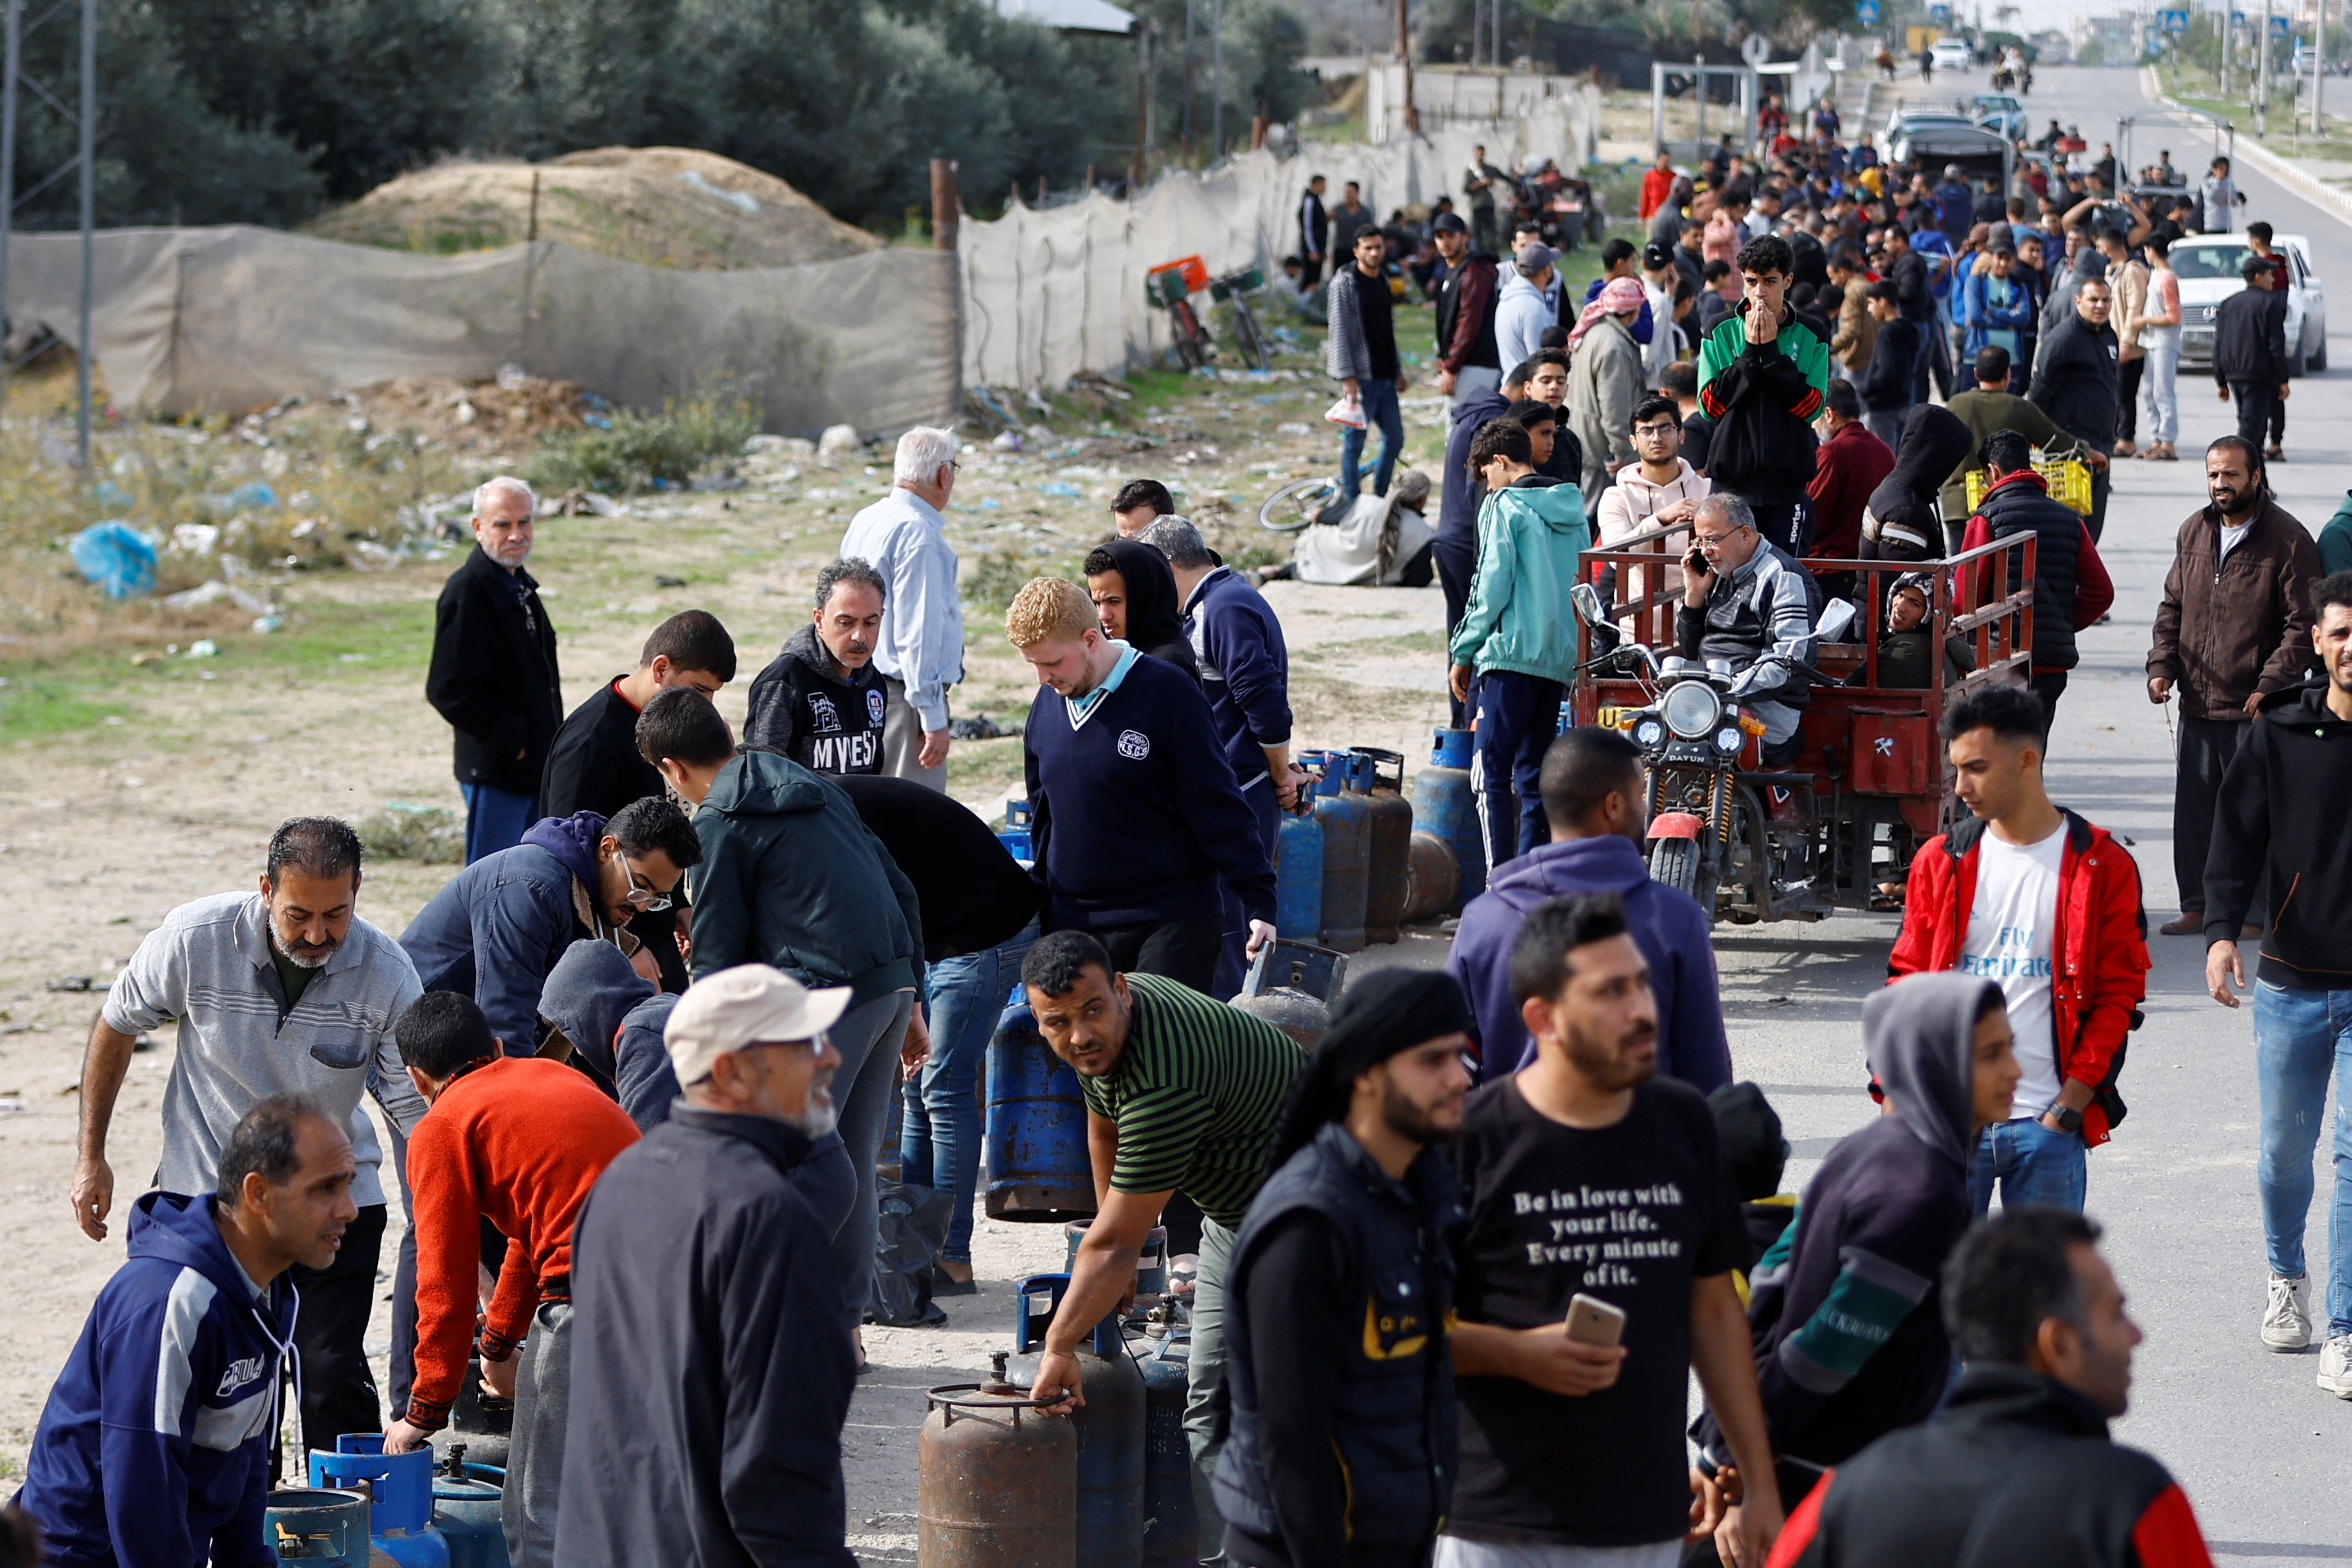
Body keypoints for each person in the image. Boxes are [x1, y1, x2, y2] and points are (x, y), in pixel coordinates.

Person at [1444, 893, 1782, 1568]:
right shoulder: (1471, 1140)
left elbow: (1714, 1311)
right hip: (1500, 1524)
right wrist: (1516, 1352)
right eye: (1609, 992)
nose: (1641, 1009)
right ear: (1543, 1018)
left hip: (1645, 1517)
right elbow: (1399, 1324)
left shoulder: (1684, 1122)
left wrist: (1758, 1479)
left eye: (1640, 983)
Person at [71, 817, 422, 1456]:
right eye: (298, 915)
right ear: (265, 888)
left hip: (331, 1198)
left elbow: (412, 1108)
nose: (317, 934)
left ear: (359, 890)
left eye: (336, 914)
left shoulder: (389, 973)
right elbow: (116, 1022)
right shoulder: (194, 938)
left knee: (328, 1375)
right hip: (208, 1197)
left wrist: (446, 1214)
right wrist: (91, 1156)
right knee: (214, 1382)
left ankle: (357, 1532)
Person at [633, 686, 925, 1344]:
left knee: (802, 1166)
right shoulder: (808, 782)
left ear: (673, 768)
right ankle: (844, 1329)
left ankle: (785, 1322)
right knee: (848, 1160)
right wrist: (912, 991)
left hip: (824, 1000)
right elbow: (895, 880)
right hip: (887, 987)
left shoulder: (718, 818)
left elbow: (716, 955)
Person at [556, 964, 860, 1568]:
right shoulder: (767, 1215)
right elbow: (777, 1468)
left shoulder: (621, 1180)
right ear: (730, 1071)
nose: (828, 1058)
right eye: (802, 1044)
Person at [1693, 973, 2020, 1525]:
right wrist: (1735, 1456)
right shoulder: (1921, 1193)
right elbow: (1826, 1348)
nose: (2015, 1071)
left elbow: (1773, 1278)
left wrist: (1721, 1437)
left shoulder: (1870, 1145)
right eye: (1991, 1054)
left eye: (2010, 1047)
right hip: (1831, 1476)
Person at [1018, 930, 1305, 1557]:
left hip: (1316, 1226)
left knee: (1289, 1419)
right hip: (1240, 1219)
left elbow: (1112, 1245)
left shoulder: (1163, 1078)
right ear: (1036, 1022)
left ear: (1120, 987)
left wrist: (1060, 1343)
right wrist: (1124, 1240)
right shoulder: (1116, 1029)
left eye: (1092, 1009)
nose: (1080, 1035)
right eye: (1057, 1022)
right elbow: (1102, 1125)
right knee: (1211, 1409)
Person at [1769, 1208, 2219, 1568]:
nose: (2135, 1334)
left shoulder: (1846, 1491)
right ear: (2057, 1344)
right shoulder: (2130, 1498)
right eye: (2115, 1315)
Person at [19, 1097, 353, 1568]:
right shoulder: (171, 1300)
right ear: (257, 1193)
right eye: (326, 1189)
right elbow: (140, 1491)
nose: (350, 1209)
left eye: (348, 1185)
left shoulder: (273, 1289)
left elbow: (247, 1448)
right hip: (87, 1553)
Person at [1212, 969, 1473, 1568]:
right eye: (1433, 1060)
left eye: (1459, 1055)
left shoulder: (1419, 1191)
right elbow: (1291, 1444)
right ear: (1365, 1071)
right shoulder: (1308, 1225)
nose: (1459, 1077)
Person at [380, 992, 639, 1568]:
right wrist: (499, 1344)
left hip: (595, 1296)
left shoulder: (442, 1125)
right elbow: (533, 1231)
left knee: (535, 1511)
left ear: (417, 1079)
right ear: (495, 1048)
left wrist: (423, 1411)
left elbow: (441, 1281)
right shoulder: (552, 1074)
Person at [1890, 683, 2149, 1216]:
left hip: (2046, 1128)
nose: (1959, 786)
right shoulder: (1941, 861)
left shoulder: (2101, 865)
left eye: (1976, 767)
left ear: (2027, 760)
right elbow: (1906, 980)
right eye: (1955, 768)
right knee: (1936, 1292)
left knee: (2042, 1298)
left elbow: (2117, 994)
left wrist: (2070, 1105)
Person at [2202, 570, 2352, 1376]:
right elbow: (2234, 838)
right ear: (2319, 643)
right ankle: (2284, 1277)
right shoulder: (2280, 733)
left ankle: (2346, 1327)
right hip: (2291, 979)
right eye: (2340, 633)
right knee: (2283, 1154)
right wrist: (2223, 931)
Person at [1004, 576, 1276, 991]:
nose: (1043, 677)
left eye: (1053, 663)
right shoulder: (1045, 708)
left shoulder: (1167, 692)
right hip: (1077, 926)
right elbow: (1044, 817)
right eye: (1034, 665)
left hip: (1170, 920)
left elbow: (1217, 804)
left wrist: (1258, 900)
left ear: (1091, 639)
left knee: (1159, 1052)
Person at [1447, 727, 1728, 1086]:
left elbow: (1451, 1065)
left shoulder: (1482, 919)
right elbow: (1708, 1078)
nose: (1644, 807)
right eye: (1641, 795)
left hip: (1512, 1138)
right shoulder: (1675, 919)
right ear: (1613, 805)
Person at [2146, 437, 2321, 936]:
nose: (2221, 485)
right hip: (2198, 701)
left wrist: (2270, 684)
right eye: (2213, 475)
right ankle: (2197, 906)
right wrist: (2161, 665)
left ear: (2255, 476)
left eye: (2231, 475)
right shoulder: (2193, 531)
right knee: (2195, 812)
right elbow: (2171, 608)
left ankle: (2250, 912)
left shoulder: (2288, 539)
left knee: (2251, 814)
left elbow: (2301, 625)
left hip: (2256, 708)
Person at [400, 797, 699, 1055]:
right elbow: (506, 1023)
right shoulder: (532, 889)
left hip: (467, 1038)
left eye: (658, 898)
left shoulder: (589, 895)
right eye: (641, 885)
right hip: (413, 1038)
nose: (643, 905)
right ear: (608, 849)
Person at [1142, 518, 1302, 989]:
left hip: (1244, 792)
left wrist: (1280, 775)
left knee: (1231, 944)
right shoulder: (1215, 601)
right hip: (1233, 787)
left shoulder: (1224, 607)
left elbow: (1264, 702)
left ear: (1166, 567)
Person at [544, 609, 735, 991]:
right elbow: (567, 863)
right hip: (609, 944)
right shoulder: (590, 745)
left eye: (713, 695)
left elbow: (662, 834)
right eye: (699, 691)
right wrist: (624, 947)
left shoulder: (668, 727)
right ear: (661, 668)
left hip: (652, 930)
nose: (706, 706)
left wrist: (678, 905)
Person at [1447, 419, 1590, 869]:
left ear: (1499, 461)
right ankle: (1529, 882)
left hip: (1508, 657)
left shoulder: (1503, 504)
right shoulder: (1571, 506)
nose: (1485, 487)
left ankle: (1498, 886)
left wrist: (1462, 650)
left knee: (1488, 774)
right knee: (1532, 777)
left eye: (1485, 476)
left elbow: (1490, 585)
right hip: (1556, 662)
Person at [427, 475, 561, 863]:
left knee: (531, 877)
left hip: (535, 769)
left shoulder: (518, 587)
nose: (517, 534)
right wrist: (511, 738)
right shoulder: (467, 592)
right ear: (478, 528)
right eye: (504, 524)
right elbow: (446, 689)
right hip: (498, 771)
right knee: (492, 882)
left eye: (525, 522)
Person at [1958, 429, 2116, 725]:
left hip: (2001, 657)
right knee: (2031, 754)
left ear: (1992, 471)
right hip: (2050, 662)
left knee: (1999, 754)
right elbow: (2102, 592)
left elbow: (1967, 596)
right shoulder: (2070, 519)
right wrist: (2062, 622)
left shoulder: (1985, 519)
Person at [840, 425, 965, 789]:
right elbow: (918, 633)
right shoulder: (918, 536)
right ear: (944, 474)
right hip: (902, 699)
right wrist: (932, 716)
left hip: (860, 687)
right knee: (909, 822)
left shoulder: (868, 518)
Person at [1697, 234, 1830, 554]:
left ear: (1787, 281)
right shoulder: (1720, 329)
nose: (1760, 292)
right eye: (1752, 281)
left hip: (1787, 486)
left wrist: (1770, 353)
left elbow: (1811, 407)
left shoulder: (1812, 333)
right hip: (1731, 484)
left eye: (1770, 281)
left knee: (1785, 575)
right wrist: (1747, 354)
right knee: (1729, 580)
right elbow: (1709, 406)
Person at [1677, 493, 1816, 768]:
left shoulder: (1782, 577)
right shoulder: (1718, 573)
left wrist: (1728, 689)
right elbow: (1692, 653)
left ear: (1744, 533)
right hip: (1712, 698)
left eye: (1714, 540)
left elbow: (1790, 662)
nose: (1705, 551)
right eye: (1700, 541)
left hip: (1766, 707)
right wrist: (1693, 597)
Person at [744, 558, 889, 773]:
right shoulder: (784, 682)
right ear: (819, 620)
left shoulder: (873, 682)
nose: (859, 636)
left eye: (870, 623)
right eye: (846, 623)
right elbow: (762, 779)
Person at [538, 938, 680, 1131]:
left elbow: (638, 1139)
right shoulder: (661, 1010)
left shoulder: (642, 1034)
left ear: (590, 1013)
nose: (577, 1050)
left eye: (572, 1031)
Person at [1595, 394, 1709, 620]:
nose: (1656, 437)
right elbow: (1618, 560)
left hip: (1702, 623)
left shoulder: (1707, 490)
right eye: (1646, 431)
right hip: (1638, 626)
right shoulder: (1616, 496)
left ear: (1682, 434)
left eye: (1665, 428)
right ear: (1633, 441)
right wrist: (1660, 519)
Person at [2028, 277, 2119, 542]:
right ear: (2078, 301)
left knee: (2094, 523)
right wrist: (2035, 435)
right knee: (2071, 523)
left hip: (2102, 439)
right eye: (2093, 299)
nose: (2100, 305)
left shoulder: (2108, 335)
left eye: (2105, 300)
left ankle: (2084, 579)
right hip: (2071, 443)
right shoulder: (2064, 339)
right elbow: (2039, 391)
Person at [1937, 346, 2071, 525]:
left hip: (1959, 505)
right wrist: (2089, 452)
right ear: (2008, 374)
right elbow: (2057, 442)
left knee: (1962, 553)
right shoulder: (2020, 408)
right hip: (2007, 509)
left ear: (1976, 373)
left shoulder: (1956, 405)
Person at [1325, 226, 1408, 504]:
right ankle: (1353, 502)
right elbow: (1339, 331)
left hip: (1385, 376)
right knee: (1354, 445)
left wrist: (1397, 370)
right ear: (1356, 251)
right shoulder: (1345, 283)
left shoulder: (1382, 279)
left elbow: (1387, 329)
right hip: (1362, 377)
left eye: (1378, 247)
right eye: (1368, 248)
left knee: (1395, 439)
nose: (1374, 253)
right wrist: (1347, 376)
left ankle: (1381, 497)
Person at [1562, 276, 1645, 503]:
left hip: (1584, 438)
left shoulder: (1595, 333)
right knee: (1597, 520)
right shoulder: (1615, 346)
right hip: (1601, 451)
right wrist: (1622, 452)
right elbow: (1615, 408)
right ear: (1633, 311)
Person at [1804, 378, 1895, 582]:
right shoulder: (1884, 450)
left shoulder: (1831, 453)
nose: (1813, 425)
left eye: (1815, 417)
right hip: (1870, 568)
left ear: (1828, 414)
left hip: (1830, 569)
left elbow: (1813, 517)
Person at [1283, 468, 1437, 588]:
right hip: (1372, 578)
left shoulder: (1366, 504)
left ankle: (1273, 572)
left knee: (1316, 541)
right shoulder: (1422, 532)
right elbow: (1419, 579)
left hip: (1318, 565)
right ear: (1421, 501)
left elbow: (1322, 517)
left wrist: (1315, 513)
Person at [1084, 538, 1202, 677]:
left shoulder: (1167, 665)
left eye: (1114, 602)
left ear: (1144, 598)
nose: (1103, 615)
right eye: (1097, 604)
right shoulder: (1114, 652)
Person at [2212, 254, 2291, 455]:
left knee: (2255, 432)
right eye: (2269, 275)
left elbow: (2220, 344)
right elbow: (2276, 345)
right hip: (2258, 377)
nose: (2273, 280)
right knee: (2250, 433)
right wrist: (2283, 379)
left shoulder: (2229, 304)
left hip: (2234, 376)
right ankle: (2235, 466)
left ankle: (2259, 484)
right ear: (2258, 277)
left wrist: (2221, 380)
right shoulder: (2269, 303)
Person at [1432, 212, 1503, 411]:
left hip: (1475, 365)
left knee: (1465, 432)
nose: (1444, 242)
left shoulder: (1474, 273)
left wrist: (1452, 367)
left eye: (1450, 236)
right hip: (1463, 364)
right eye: (1440, 237)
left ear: (1464, 237)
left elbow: (1469, 322)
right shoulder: (1455, 271)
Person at [2130, 233, 2184, 461]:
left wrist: (2145, 321)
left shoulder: (2167, 278)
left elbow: (2174, 316)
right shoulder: (2154, 275)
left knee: (2163, 391)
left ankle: (2168, 441)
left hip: (2164, 342)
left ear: (2151, 249)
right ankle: (2156, 438)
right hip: (2150, 342)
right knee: (2150, 391)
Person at [1855, 281, 1919, 451]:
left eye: (1871, 303)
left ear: (1882, 302)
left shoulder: (1888, 332)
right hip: (1903, 400)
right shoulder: (1908, 330)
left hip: (1882, 406)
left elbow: (1885, 371)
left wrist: (1864, 390)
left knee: (1884, 456)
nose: (1869, 309)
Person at [1494, 242, 1561, 376]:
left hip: (1512, 383)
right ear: (1546, 270)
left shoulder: (1508, 298)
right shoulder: (1532, 308)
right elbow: (1540, 361)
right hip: (1526, 388)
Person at [1961, 243, 2034, 362]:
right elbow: (1975, 316)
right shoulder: (1975, 282)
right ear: (1991, 258)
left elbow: (2024, 317)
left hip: (2012, 359)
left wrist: (1993, 313)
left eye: (2008, 259)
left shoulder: (2019, 286)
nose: (2003, 263)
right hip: (1979, 358)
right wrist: (2007, 322)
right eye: (2000, 258)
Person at [1826, 251, 1877, 379]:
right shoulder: (1865, 284)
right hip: (1873, 354)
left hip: (1857, 359)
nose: (1833, 283)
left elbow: (1850, 330)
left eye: (1833, 277)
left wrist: (1830, 347)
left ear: (1842, 272)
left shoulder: (1851, 293)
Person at [1468, 144, 1509, 251]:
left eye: (1481, 152)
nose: (1480, 155)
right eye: (1478, 152)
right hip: (1477, 207)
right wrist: (1480, 184)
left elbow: (1505, 178)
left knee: (1491, 235)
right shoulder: (1471, 171)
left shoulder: (1491, 169)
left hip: (1489, 205)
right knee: (1478, 237)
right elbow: (1466, 189)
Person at [1299, 175, 1330, 288]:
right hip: (1312, 250)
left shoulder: (1317, 201)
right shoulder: (1309, 201)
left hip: (1318, 248)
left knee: (1316, 280)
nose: (1325, 188)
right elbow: (1307, 227)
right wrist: (1312, 250)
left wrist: (1322, 249)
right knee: (1309, 280)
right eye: (1323, 185)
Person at [1330, 180, 1374, 258]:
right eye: (1346, 192)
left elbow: (1370, 231)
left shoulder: (1365, 212)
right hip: (1341, 249)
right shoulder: (1338, 209)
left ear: (1357, 193)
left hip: (1357, 250)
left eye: (1350, 192)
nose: (1348, 195)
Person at [2201, 155, 2241, 233]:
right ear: (2214, 169)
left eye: (2224, 169)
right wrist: (2218, 181)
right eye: (2219, 169)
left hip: (2225, 224)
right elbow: (2210, 196)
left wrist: (2233, 200)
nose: (2222, 171)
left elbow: (2235, 202)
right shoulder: (2207, 183)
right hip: (2212, 223)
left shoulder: (2229, 183)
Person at [1638, 148, 1676, 225]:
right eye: (1663, 160)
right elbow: (1645, 196)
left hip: (1668, 214)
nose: (1665, 163)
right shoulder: (1649, 175)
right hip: (1653, 214)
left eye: (1667, 161)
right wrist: (1642, 216)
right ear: (1658, 160)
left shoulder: (1673, 176)